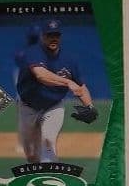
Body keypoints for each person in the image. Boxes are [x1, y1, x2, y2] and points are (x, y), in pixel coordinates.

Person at [15, 19, 94, 163]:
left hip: (53, 106)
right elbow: (41, 76)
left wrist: (90, 107)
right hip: (28, 107)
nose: (53, 38)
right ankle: (36, 169)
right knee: (31, 155)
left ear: (60, 36)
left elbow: (81, 87)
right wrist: (68, 82)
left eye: (56, 35)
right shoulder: (33, 52)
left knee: (48, 140)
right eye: (49, 35)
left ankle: (50, 169)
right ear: (42, 36)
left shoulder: (69, 60)